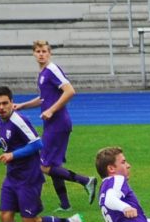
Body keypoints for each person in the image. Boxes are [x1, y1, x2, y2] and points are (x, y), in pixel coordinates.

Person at [0, 86, 87, 222]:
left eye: (5, 103)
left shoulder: (19, 120)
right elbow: (6, 139)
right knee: (5, 215)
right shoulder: (0, 120)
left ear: (12, 102)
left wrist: (13, 155)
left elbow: (37, 143)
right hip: (12, 176)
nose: (1, 107)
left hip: (28, 177)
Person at [13, 40, 97, 212]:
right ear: (34, 54)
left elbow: (70, 91)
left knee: (44, 166)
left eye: (44, 51)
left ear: (49, 53)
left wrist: (51, 111)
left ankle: (86, 181)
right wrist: (22, 105)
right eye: (38, 51)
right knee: (52, 166)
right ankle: (65, 205)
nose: (41, 54)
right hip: (53, 124)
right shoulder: (43, 73)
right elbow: (43, 98)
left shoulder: (52, 70)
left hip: (58, 123)